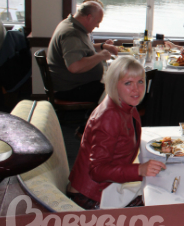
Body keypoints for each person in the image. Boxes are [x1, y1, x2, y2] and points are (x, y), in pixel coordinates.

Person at [67, 57, 166, 209]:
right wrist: (139, 169)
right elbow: (97, 171)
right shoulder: (109, 116)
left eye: (140, 81)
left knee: (161, 187)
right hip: (91, 196)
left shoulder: (125, 105)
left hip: (106, 186)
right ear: (114, 84)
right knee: (160, 202)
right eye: (128, 83)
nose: (136, 89)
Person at [47, 0, 118, 102]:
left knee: (116, 85)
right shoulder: (72, 33)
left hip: (74, 85)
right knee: (118, 90)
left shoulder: (71, 25)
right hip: (70, 89)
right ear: (89, 17)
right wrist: (100, 56)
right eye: (98, 22)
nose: (97, 26)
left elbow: (81, 48)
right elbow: (74, 67)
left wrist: (103, 46)